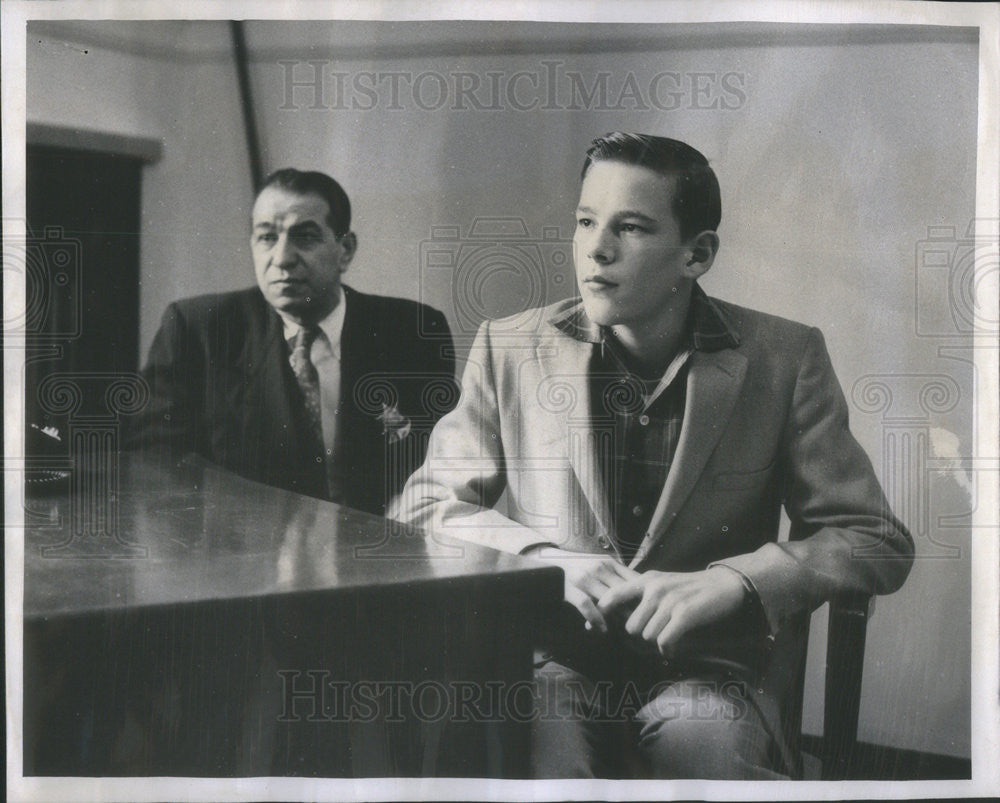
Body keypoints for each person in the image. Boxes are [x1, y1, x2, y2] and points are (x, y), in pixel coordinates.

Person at [392, 133, 914, 778]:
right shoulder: (510, 347)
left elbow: (874, 537)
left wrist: (740, 580)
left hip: (709, 671)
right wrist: (543, 559)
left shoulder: (784, 358)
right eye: (585, 222)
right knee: (542, 753)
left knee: (704, 750)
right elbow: (420, 506)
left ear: (697, 254)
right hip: (555, 660)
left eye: (631, 227)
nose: (597, 249)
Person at [128, 168, 456, 516]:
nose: (282, 259)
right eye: (267, 237)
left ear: (345, 250)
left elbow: (441, 465)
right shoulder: (199, 330)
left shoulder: (412, 332)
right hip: (245, 554)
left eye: (305, 237)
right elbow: (155, 465)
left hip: (376, 552)